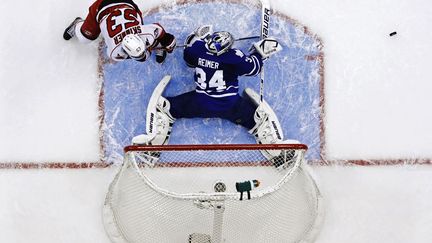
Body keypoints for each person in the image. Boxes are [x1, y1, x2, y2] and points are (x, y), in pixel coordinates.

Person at [133, 26, 298, 168]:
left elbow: (189, 59)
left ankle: (154, 143)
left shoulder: (198, 48)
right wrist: (260, 53)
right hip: (230, 106)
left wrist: (196, 36)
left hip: (199, 102)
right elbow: (253, 68)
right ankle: (276, 152)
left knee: (167, 108)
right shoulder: (234, 56)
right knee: (258, 120)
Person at [63, 0, 176, 63]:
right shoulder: (114, 52)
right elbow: (157, 31)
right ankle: (77, 25)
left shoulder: (144, 33)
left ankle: (159, 46)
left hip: (123, 3)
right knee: (84, 38)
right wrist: (166, 40)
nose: (143, 54)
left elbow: (158, 30)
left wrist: (166, 40)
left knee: (147, 35)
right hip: (101, 8)